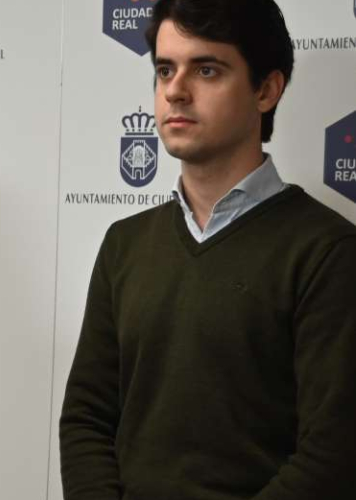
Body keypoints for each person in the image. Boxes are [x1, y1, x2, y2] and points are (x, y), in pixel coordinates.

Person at [60, 1, 356, 498]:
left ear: (266, 90)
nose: (175, 90)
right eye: (165, 70)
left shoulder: (327, 251)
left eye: (206, 70)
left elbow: (333, 453)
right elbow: (86, 419)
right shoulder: (123, 244)